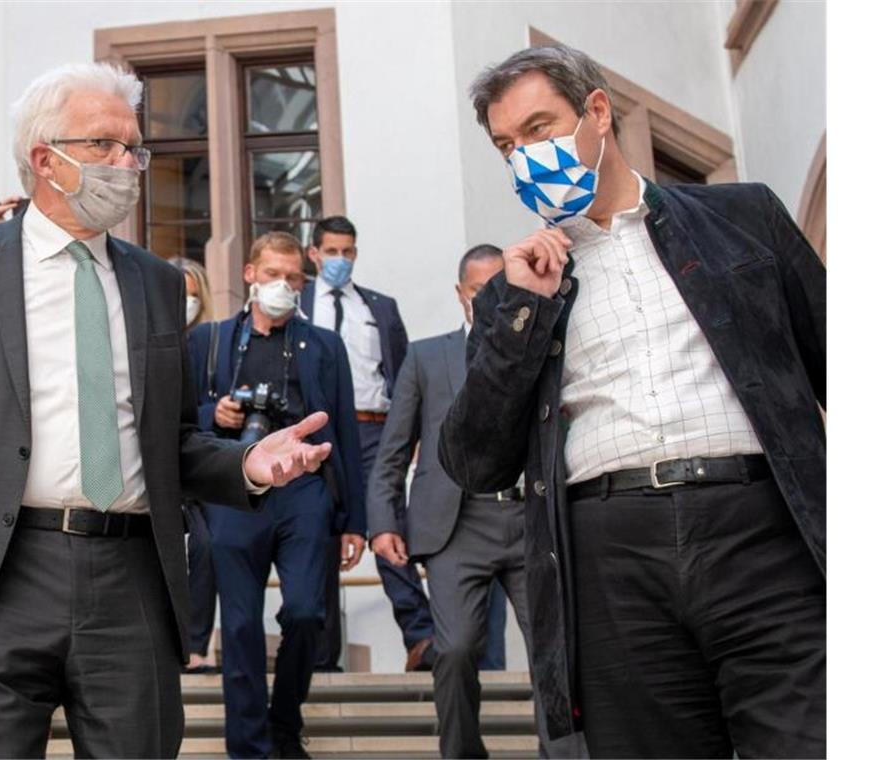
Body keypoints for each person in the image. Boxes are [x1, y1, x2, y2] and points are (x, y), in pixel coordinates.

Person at [0, 62, 334, 760]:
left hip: (131, 582)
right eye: (105, 146)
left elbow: (169, 440)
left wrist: (247, 463)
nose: (128, 165)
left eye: (136, 149)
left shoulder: (154, 282)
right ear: (44, 159)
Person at [439, 44, 825, 759]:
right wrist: (525, 311)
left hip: (761, 534)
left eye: (540, 129)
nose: (525, 156)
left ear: (597, 111)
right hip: (608, 557)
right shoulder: (512, 292)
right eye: (506, 146)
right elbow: (475, 457)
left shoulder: (743, 218)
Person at [368, 244, 556, 759]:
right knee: (453, 650)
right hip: (455, 524)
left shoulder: (538, 346)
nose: (493, 300)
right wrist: (383, 519)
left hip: (527, 517)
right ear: (461, 295)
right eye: (480, 291)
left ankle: (560, 753)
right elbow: (394, 448)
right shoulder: (427, 357)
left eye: (502, 288)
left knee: (551, 650)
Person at [188, 231, 366, 759]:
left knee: (308, 612)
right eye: (272, 275)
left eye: (293, 278)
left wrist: (355, 518)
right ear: (250, 275)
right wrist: (212, 415)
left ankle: (284, 724)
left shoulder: (324, 346)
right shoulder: (211, 341)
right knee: (240, 624)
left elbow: (348, 436)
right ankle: (248, 745)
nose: (283, 286)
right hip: (234, 490)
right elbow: (179, 420)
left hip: (305, 491)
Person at [301, 215, 433, 672]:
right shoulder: (296, 303)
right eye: (331, 251)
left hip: (374, 428)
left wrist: (409, 434)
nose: (340, 260)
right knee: (318, 532)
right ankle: (321, 657)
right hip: (316, 432)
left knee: (385, 524)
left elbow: (401, 376)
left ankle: (420, 637)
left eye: (348, 251)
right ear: (313, 253)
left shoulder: (380, 308)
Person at [173, 256, 219, 673]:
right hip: (155, 466)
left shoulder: (210, 343)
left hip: (198, 464)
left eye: (190, 296)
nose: (183, 304)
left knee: (205, 547)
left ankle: (197, 644)